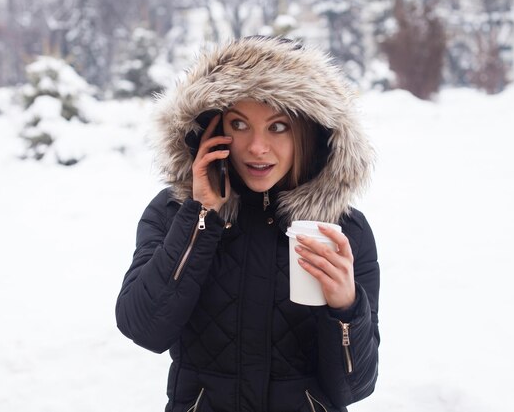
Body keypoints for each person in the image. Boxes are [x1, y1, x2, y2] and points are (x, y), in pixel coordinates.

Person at [115, 36, 380, 412]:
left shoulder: (343, 230)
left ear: (310, 131)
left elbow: (356, 387)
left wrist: (346, 310)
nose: (257, 147)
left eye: (278, 127)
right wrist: (201, 216)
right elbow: (143, 327)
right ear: (212, 131)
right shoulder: (176, 212)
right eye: (239, 124)